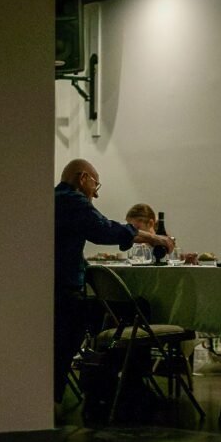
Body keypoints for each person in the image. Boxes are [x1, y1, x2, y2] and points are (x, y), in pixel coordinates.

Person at [54, 159, 172, 405]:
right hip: (65, 295)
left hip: (58, 292)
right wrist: (155, 239)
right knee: (137, 309)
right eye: (95, 185)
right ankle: (130, 388)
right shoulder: (72, 200)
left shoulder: (55, 199)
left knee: (109, 315)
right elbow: (104, 229)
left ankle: (106, 384)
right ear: (83, 178)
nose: (95, 194)